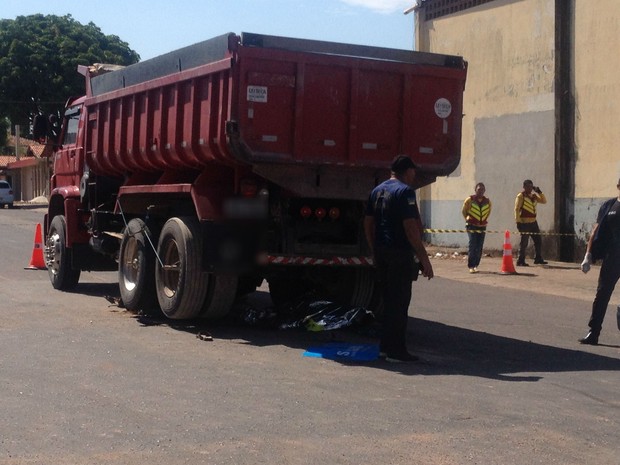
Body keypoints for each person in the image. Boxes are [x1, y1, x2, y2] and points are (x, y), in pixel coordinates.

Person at [364, 155, 434, 363]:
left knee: (388, 302)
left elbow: (368, 222)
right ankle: (397, 350)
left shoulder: (377, 190)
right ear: (406, 171)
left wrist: (373, 248)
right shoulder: (405, 192)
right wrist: (424, 258)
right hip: (399, 254)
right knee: (399, 303)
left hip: (383, 252)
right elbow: (410, 229)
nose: (415, 175)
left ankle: (386, 347)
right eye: (413, 171)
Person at [577, 178, 620, 345]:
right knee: (602, 294)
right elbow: (596, 230)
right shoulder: (608, 206)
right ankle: (593, 332)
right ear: (618, 186)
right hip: (612, 257)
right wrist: (588, 254)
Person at [514, 179, 548, 266]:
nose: (530, 188)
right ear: (524, 187)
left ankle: (538, 258)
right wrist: (518, 222)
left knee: (538, 240)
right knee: (524, 242)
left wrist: (539, 192)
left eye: (531, 186)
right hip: (524, 222)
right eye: (528, 186)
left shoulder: (534, 196)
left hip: (533, 222)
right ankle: (520, 260)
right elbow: (517, 209)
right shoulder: (521, 196)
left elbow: (544, 201)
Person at [462, 182, 492, 273]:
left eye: (482, 189)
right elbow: (464, 211)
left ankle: (476, 265)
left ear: (484, 191)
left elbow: (488, 212)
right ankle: (471, 266)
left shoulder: (487, 201)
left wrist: (483, 221)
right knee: (473, 245)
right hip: (471, 226)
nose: (481, 191)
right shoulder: (469, 200)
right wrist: (468, 220)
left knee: (479, 246)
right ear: (475, 190)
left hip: (482, 226)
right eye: (479, 189)